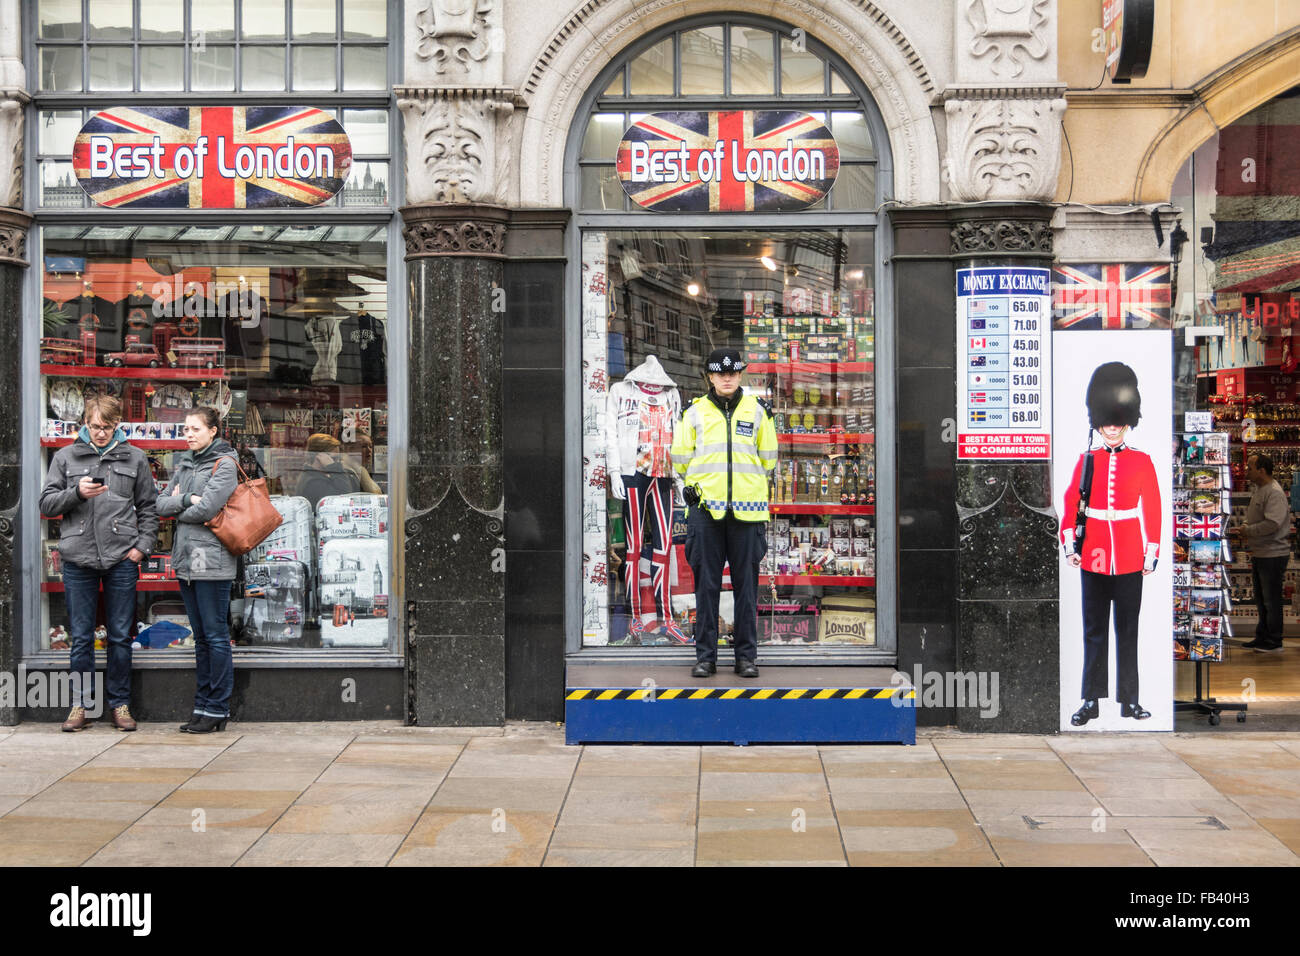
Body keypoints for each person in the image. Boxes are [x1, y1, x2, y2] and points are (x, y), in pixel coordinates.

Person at [40, 395, 158, 732]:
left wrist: (142, 548)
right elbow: (47, 503)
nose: (101, 433)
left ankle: (120, 704)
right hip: (78, 557)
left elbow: (149, 507)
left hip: (122, 556)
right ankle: (81, 705)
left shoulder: (134, 458)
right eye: (95, 427)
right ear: (85, 424)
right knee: (80, 637)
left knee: (121, 636)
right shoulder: (66, 457)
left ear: (117, 424)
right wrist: (76, 493)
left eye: (107, 427)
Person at [1060, 362, 1161, 725]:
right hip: (1095, 556)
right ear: (1097, 421)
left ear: (1128, 420)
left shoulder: (1142, 461)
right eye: (1107, 421)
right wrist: (1072, 544)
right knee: (1095, 632)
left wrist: (1151, 550)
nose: (1113, 427)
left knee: (1128, 632)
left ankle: (1129, 700)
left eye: (1118, 421)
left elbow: (1152, 508)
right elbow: (1073, 502)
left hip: (1132, 556)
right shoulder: (1086, 460)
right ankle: (1090, 701)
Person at [671, 348, 778, 678]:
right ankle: (706, 656)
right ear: (710, 376)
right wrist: (698, 488)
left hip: (747, 513)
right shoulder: (694, 412)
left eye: (733, 372)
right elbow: (679, 458)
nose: (727, 378)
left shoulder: (758, 411)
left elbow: (768, 458)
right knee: (706, 587)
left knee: (747, 589)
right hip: (705, 512)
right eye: (720, 373)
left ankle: (746, 657)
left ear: (741, 374)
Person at [157, 407, 239, 732]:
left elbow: (208, 508)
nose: (188, 434)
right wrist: (187, 500)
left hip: (213, 561)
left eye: (194, 429)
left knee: (216, 637)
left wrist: (185, 502)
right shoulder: (186, 464)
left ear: (213, 431)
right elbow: (160, 503)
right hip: (186, 561)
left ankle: (218, 709)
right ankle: (202, 705)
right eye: (185, 429)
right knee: (201, 638)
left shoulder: (226, 465)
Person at [1239, 454, 1290, 652]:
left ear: (1262, 470)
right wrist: (1245, 525)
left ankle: (1274, 640)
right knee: (1262, 599)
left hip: (1273, 553)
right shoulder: (1261, 490)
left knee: (1271, 599)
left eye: (1250, 467)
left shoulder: (1274, 492)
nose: (1246, 470)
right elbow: (1257, 519)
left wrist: (1248, 531)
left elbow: (1272, 523)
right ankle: (1263, 636)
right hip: (1262, 552)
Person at [293, 433, 367, 505]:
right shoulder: (313, 482)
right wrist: (334, 467)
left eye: (338, 459)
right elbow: (345, 498)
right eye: (333, 458)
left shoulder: (312, 474)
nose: (337, 462)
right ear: (320, 456)